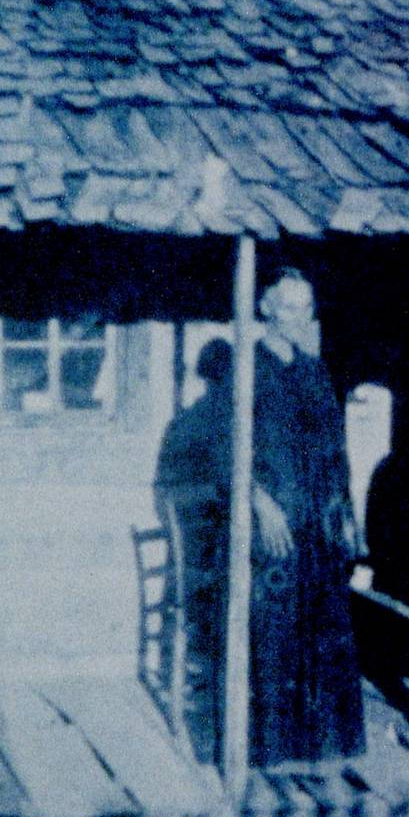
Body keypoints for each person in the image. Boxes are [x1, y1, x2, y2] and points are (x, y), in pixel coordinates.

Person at [247, 268, 366, 766]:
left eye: (306, 307)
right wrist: (260, 502)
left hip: (317, 521)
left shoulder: (315, 372)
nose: (298, 317)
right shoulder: (247, 369)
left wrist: (345, 514)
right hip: (272, 523)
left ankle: (321, 744)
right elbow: (225, 448)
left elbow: (336, 451)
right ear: (266, 308)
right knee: (275, 628)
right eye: (289, 306)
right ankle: (272, 748)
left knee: (325, 627)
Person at [153, 339, 234, 761]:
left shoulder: (181, 422)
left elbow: (161, 493)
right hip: (208, 564)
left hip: (184, 557)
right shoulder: (226, 425)